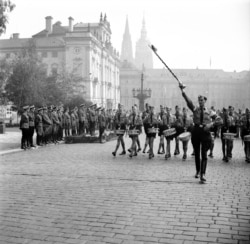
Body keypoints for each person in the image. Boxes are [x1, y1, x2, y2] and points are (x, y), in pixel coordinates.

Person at [180, 86, 213, 183]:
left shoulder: (210, 112)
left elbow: (219, 120)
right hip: (196, 131)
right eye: (199, 100)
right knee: (197, 154)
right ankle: (198, 171)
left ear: (205, 101)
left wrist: (211, 124)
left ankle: (203, 174)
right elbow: (188, 101)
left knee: (204, 154)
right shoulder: (195, 109)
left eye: (202, 100)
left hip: (205, 132)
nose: (201, 102)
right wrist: (183, 91)